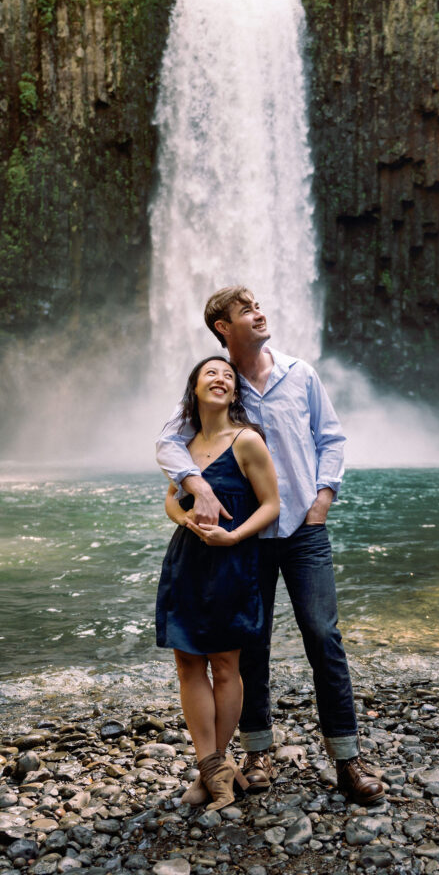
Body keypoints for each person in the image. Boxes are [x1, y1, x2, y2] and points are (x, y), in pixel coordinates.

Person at [156, 287, 386, 805]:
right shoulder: (219, 385)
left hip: (304, 529)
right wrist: (199, 486)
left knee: (323, 636)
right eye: (246, 311)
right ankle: (256, 752)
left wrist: (323, 497)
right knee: (249, 640)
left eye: (260, 306)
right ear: (222, 327)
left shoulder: (299, 373)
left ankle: (347, 760)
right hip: (248, 540)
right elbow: (170, 442)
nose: (260, 314)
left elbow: (331, 438)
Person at [155, 354, 280, 811]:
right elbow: (171, 499)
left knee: (225, 666)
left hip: (231, 562)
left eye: (229, 375)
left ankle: (217, 765)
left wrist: (234, 536)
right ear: (194, 389)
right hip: (187, 561)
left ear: (235, 392)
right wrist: (187, 520)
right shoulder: (182, 446)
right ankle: (211, 767)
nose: (221, 378)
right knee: (188, 664)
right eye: (212, 373)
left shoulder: (247, 441)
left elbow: (271, 505)